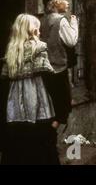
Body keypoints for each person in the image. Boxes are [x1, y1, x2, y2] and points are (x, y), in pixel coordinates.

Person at [0, 14, 59, 164]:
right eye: (38, 30)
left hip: (14, 114)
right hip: (40, 112)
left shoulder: (10, 54)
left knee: (19, 154)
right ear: (32, 32)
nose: (40, 33)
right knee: (43, 155)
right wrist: (59, 116)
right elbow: (51, 81)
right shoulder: (39, 49)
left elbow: (4, 87)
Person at [40, 0, 78, 127]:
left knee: (50, 107)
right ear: (55, 3)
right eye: (64, 1)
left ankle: (48, 138)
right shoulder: (61, 21)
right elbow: (71, 41)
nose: (67, 3)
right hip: (59, 69)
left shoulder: (43, 20)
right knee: (61, 110)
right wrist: (74, 23)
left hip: (45, 69)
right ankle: (50, 139)